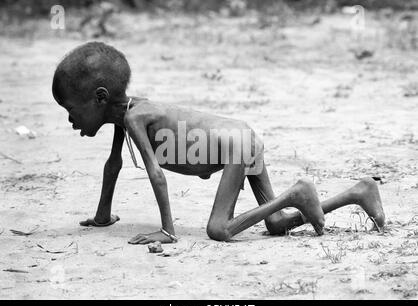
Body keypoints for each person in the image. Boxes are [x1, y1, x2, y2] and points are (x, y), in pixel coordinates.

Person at [52, 42, 385, 244]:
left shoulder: (135, 118)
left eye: (70, 110)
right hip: (240, 136)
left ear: (99, 98)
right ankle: (358, 192)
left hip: (234, 147)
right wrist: (102, 217)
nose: (70, 121)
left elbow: (156, 173)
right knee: (277, 223)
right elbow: (114, 165)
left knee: (219, 229)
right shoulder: (130, 111)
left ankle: (298, 193)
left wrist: (167, 231)